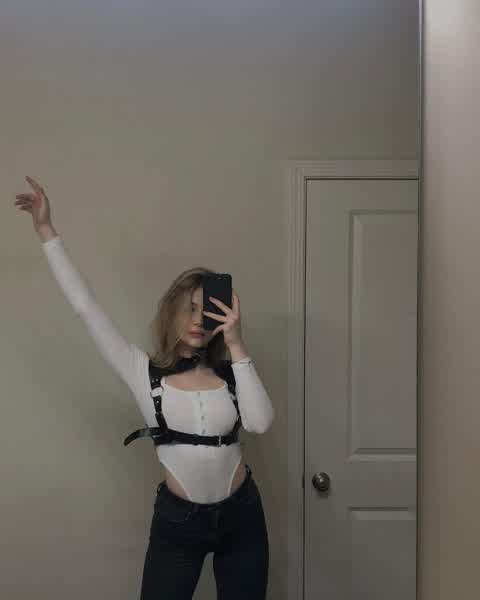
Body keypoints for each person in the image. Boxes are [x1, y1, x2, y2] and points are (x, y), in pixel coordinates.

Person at [14, 175, 275, 600]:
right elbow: (84, 306)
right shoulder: (141, 370)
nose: (198, 320)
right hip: (178, 523)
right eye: (189, 309)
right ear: (172, 311)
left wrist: (236, 342)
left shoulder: (233, 373)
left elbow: (260, 423)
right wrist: (46, 229)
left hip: (242, 516)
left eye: (208, 311)